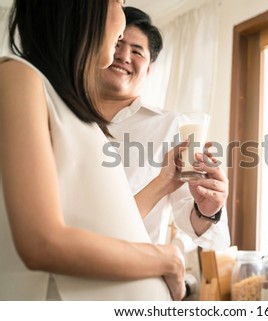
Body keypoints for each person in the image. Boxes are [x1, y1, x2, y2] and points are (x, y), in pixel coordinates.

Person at [0, 0, 186, 301]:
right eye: (119, 2)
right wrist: (169, 259)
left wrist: (164, 182)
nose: (122, 20)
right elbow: (41, 243)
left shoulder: (77, 113)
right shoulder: (19, 77)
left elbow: (104, 222)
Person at [99, 7, 230, 250]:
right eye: (117, 44)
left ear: (149, 69)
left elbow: (191, 221)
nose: (124, 56)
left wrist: (207, 211)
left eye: (137, 51)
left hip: (137, 274)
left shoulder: (172, 126)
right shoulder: (61, 114)